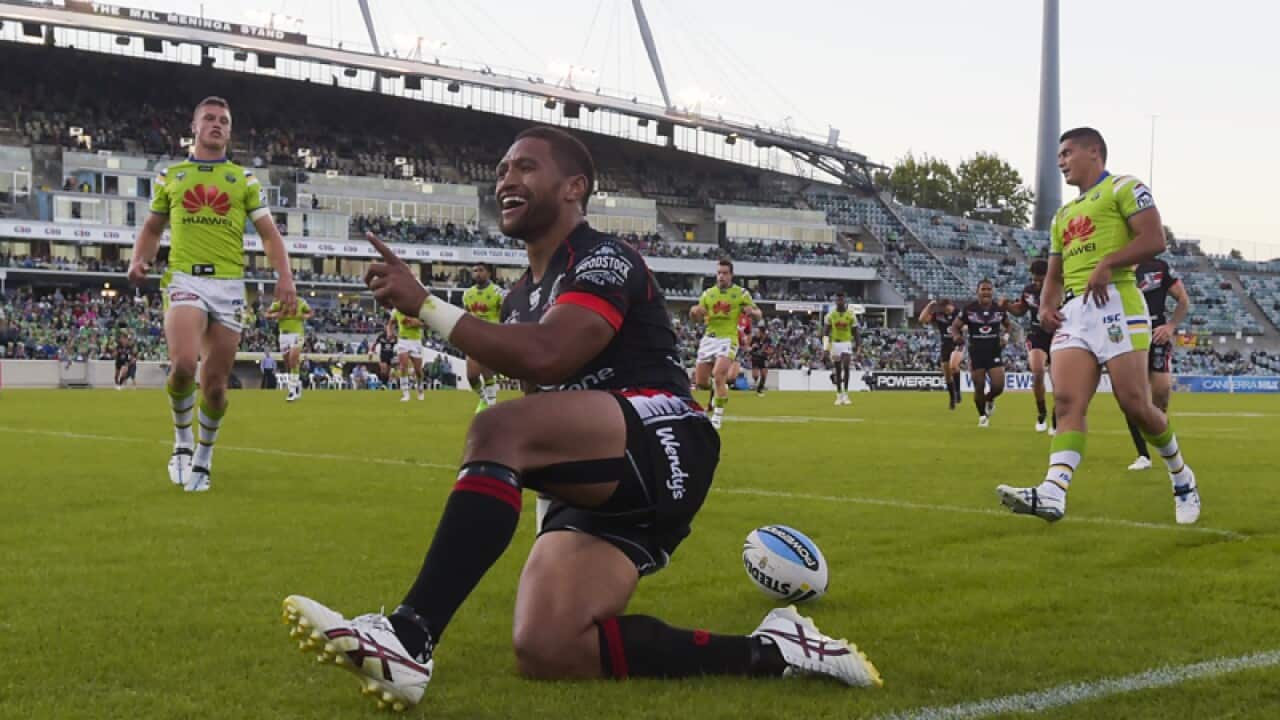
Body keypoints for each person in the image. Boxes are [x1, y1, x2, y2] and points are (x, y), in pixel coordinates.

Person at [282, 126, 879, 712]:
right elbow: (531, 372)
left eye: (524, 167)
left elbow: (550, 356)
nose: (506, 180)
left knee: (499, 428)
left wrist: (427, 305)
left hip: (664, 436)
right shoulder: (520, 297)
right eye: (501, 171)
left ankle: (408, 638)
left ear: (574, 188)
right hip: (602, 467)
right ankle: (776, 650)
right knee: (548, 646)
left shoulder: (604, 259)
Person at [997, 127, 1199, 524]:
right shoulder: (1062, 216)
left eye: (1068, 152)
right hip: (1076, 313)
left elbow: (1154, 238)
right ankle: (1053, 492)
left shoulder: (1124, 187)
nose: (1061, 161)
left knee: (1135, 404)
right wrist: (1046, 308)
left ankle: (1181, 475)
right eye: (1059, 155)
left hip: (1119, 303)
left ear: (1095, 152)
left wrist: (1109, 263)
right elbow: (1054, 273)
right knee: (1069, 403)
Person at [127, 95, 296, 493]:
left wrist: (285, 276)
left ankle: (205, 454)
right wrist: (140, 259)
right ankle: (183, 442)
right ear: (195, 127)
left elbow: (270, 235)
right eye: (209, 118)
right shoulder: (172, 175)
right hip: (184, 279)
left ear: (229, 130)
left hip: (229, 285)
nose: (217, 124)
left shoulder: (243, 180)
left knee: (216, 385)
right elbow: (152, 229)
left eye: (224, 120)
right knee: (185, 364)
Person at [1126, 257, 1191, 470]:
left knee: (1161, 394)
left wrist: (1171, 326)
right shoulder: (1117, 267)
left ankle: (1165, 446)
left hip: (1157, 335)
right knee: (1132, 399)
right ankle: (1143, 455)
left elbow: (1183, 299)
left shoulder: (1158, 267)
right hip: (1128, 336)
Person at [690, 259, 762, 429]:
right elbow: (697, 316)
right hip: (709, 338)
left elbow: (758, 314)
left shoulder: (741, 293)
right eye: (719, 273)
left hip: (728, 338)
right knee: (700, 382)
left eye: (724, 273)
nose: (721, 276)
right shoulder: (708, 294)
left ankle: (717, 415)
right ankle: (720, 394)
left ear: (731, 275)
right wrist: (694, 313)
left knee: (719, 374)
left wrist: (752, 312)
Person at [951, 280, 1012, 427]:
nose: (986, 292)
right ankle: (982, 416)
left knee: (998, 386)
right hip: (976, 352)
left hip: (994, 351)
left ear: (992, 291)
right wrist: (956, 336)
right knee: (979, 386)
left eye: (989, 289)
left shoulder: (998, 309)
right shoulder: (969, 309)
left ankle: (989, 399)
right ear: (977, 291)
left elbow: (1008, 325)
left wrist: (1005, 337)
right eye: (983, 289)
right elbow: (955, 326)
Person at [1007, 260, 1054, 432]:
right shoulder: (1028, 291)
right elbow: (1020, 311)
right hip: (1037, 334)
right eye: (1035, 280)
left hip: (1058, 335)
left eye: (1041, 280)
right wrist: (1007, 307)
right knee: (1037, 372)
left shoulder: (1060, 288)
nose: (1038, 284)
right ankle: (1041, 412)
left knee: (1058, 380)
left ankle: (1057, 416)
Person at [462, 262, 504, 412]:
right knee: (471, 376)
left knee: (487, 373)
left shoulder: (498, 293)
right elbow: (466, 315)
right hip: (473, 337)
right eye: (474, 271)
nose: (477, 273)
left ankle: (491, 405)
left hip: (490, 336)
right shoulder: (467, 294)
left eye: (480, 270)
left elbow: (505, 314)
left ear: (488, 273)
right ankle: (483, 399)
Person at [265, 294, 313, 402]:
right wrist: (277, 315)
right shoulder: (278, 303)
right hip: (283, 336)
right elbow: (267, 314)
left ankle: (291, 391)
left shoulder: (301, 302)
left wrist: (304, 317)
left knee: (293, 360)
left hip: (297, 334)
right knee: (288, 363)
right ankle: (298, 384)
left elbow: (310, 312)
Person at [919, 298, 963, 409]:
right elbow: (922, 319)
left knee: (954, 366)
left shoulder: (959, 313)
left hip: (957, 343)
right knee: (947, 375)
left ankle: (958, 391)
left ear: (950, 305)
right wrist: (929, 305)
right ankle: (952, 398)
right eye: (942, 308)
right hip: (945, 345)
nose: (944, 310)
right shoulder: (939, 315)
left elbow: (968, 324)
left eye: (946, 307)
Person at [823, 292, 860, 406]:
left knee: (846, 366)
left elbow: (855, 332)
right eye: (838, 300)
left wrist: (858, 346)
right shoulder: (830, 315)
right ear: (836, 301)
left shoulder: (851, 315)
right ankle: (839, 395)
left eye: (841, 300)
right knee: (838, 370)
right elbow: (826, 332)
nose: (840, 302)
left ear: (845, 301)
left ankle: (846, 394)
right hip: (835, 344)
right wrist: (825, 349)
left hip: (846, 343)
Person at [391, 308, 426, 401]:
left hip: (416, 341)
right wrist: (390, 332)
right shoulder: (397, 310)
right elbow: (403, 323)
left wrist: (416, 323)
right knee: (403, 367)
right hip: (403, 341)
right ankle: (406, 394)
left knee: (418, 370)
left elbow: (423, 324)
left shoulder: (417, 309)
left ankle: (420, 389)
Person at [749, 325, 773, 396]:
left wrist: (768, 352)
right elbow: (749, 348)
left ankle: (760, 390)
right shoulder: (754, 339)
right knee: (755, 375)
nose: (756, 333)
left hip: (764, 358)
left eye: (758, 332)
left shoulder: (768, 339)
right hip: (755, 358)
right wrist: (752, 347)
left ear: (763, 333)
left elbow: (771, 349)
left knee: (764, 375)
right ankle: (755, 383)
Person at [374, 320, 397, 387]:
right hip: (383, 355)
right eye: (388, 327)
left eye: (392, 327)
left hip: (390, 356)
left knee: (388, 372)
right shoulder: (381, 336)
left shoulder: (395, 337)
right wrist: (371, 351)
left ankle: (385, 384)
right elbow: (375, 344)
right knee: (383, 370)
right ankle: (382, 383)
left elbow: (400, 345)